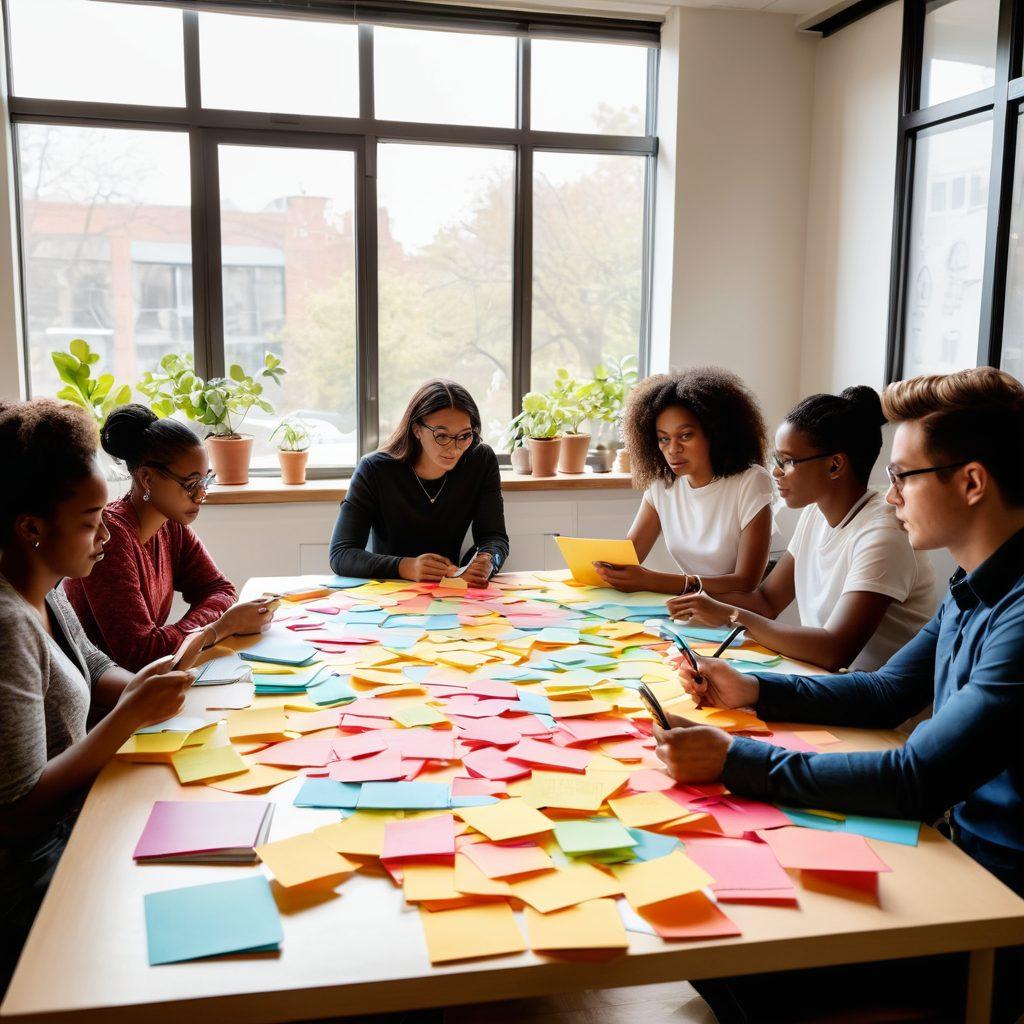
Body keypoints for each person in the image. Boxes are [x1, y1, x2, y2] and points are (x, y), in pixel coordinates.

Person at [656, 367, 1024, 1023]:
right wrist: (754, 688)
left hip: (997, 907)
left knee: (727, 953)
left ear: (971, 482)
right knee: (708, 932)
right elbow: (884, 693)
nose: (889, 497)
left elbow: (917, 776)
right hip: (949, 855)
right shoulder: (973, 585)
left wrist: (735, 762)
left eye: (905, 476)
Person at [0, 399, 195, 995]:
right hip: (36, 878)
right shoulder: (8, 625)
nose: (108, 533)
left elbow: (94, 664)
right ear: (32, 528)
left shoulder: (48, 585)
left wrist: (137, 682)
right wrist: (129, 716)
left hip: (77, 826)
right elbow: (18, 812)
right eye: (90, 520)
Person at [669, 386, 935, 672]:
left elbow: (834, 651)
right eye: (777, 460)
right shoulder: (815, 514)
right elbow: (766, 601)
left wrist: (731, 615)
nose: (776, 472)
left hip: (879, 707)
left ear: (835, 466)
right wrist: (683, 596)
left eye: (788, 461)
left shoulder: (883, 534)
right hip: (831, 686)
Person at [63, 405, 276, 672]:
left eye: (205, 482)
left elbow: (221, 589)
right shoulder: (110, 537)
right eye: (190, 485)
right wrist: (219, 628)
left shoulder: (170, 526)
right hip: (112, 701)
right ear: (147, 479)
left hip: (146, 686)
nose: (201, 496)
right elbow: (141, 654)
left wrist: (185, 639)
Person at [593, 367, 773, 597]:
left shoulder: (750, 482)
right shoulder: (662, 485)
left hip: (735, 617)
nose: (673, 449)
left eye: (686, 435)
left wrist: (653, 580)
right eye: (663, 439)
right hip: (688, 610)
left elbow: (745, 582)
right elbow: (628, 557)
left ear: (715, 432)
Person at [329, 379, 509, 587]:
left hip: (449, 591)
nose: (454, 448)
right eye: (441, 436)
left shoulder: (480, 460)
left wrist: (486, 561)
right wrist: (406, 567)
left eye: (464, 436)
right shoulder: (374, 469)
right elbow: (341, 554)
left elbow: (494, 537)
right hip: (388, 591)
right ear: (417, 430)